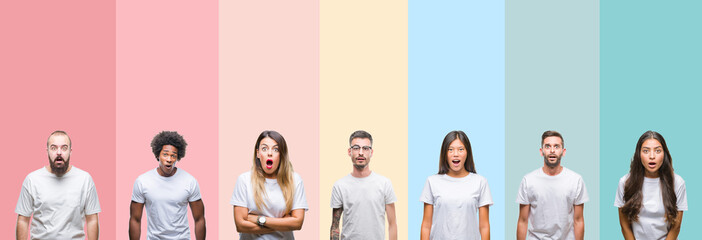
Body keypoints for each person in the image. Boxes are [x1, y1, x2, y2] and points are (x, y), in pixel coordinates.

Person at [15, 130, 101, 240]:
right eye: (54, 148)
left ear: (70, 151)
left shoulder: (85, 179)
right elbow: (23, 220)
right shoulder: (32, 180)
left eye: (64, 148)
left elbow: (92, 219)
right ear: (47, 151)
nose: (59, 152)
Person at [231, 130, 308, 239]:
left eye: (276, 149)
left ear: (281, 154)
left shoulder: (295, 180)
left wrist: (257, 219)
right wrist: (283, 222)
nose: (270, 153)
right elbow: (240, 225)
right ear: (258, 153)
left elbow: (297, 223)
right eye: (264, 148)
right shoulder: (244, 180)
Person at [129, 131, 206, 240]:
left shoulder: (189, 181)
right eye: (165, 154)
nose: (169, 159)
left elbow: (199, 218)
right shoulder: (142, 181)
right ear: (158, 155)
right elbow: (135, 219)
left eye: (173, 156)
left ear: (178, 157)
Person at [420, 130, 492, 240]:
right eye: (450, 150)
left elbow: (484, 226)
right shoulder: (432, 181)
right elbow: (426, 225)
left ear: (467, 152)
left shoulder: (480, 182)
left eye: (461, 149)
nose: (456, 154)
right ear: (445, 153)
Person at [615, 131, 687, 240]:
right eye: (646, 151)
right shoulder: (625, 182)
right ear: (639, 154)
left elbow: (676, 227)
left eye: (658, 151)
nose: (652, 156)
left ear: (664, 154)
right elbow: (624, 225)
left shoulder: (677, 182)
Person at [516, 130, 588, 240]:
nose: (552, 150)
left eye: (556, 146)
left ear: (563, 152)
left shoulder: (575, 180)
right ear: (541, 151)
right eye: (548, 146)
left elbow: (578, 220)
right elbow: (522, 220)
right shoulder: (528, 180)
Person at [330, 130, 398, 240]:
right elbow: (335, 226)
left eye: (365, 148)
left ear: (371, 152)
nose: (361, 153)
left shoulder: (384, 183)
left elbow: (392, 224)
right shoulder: (340, 186)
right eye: (356, 148)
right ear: (349, 152)